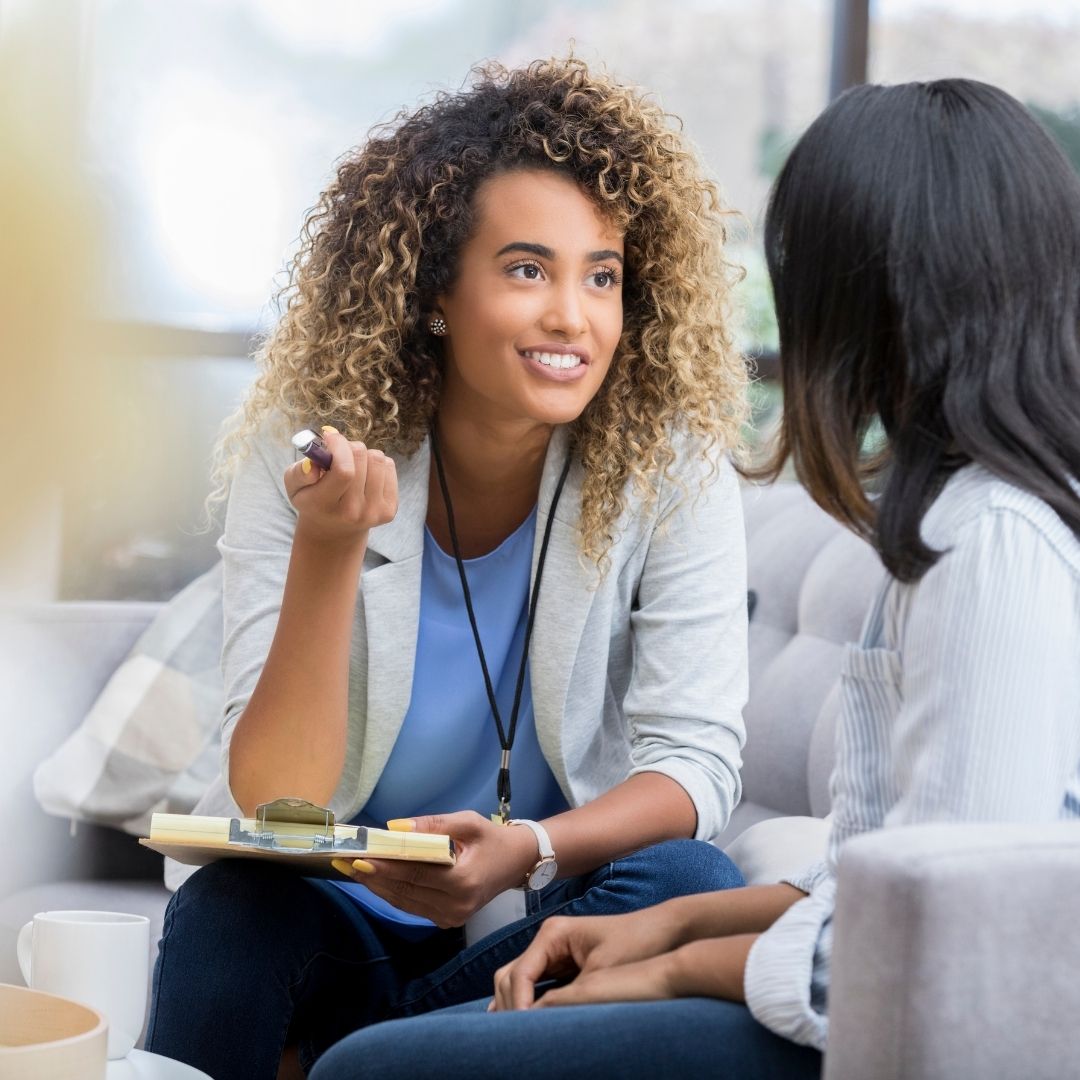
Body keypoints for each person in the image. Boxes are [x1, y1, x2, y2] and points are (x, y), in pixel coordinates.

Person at [307, 78, 1080, 1080]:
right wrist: (666, 929)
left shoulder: (998, 547)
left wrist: (675, 971)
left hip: (861, 1039)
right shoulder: (946, 532)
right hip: (830, 993)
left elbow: (943, 958)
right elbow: (865, 886)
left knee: (367, 1073)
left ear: (871, 291)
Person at [145, 57, 752, 1079]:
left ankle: (358, 1061)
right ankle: (390, 1057)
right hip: (336, 912)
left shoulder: (672, 468)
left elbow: (696, 764)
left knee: (684, 876)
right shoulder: (308, 452)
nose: (573, 316)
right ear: (434, 295)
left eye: (600, 275)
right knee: (229, 911)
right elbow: (272, 798)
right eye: (527, 270)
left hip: (530, 921)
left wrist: (536, 850)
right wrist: (331, 547)